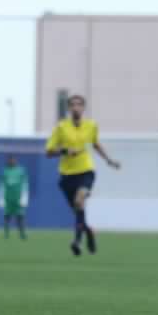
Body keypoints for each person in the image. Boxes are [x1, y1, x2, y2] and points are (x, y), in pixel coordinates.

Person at [45, 94, 120, 256]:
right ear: (68, 108)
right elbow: (49, 151)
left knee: (80, 201)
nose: (76, 107)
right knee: (78, 212)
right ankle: (89, 232)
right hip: (67, 175)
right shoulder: (61, 128)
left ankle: (76, 242)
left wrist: (109, 160)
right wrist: (65, 150)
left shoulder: (91, 126)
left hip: (86, 171)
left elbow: (96, 143)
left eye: (79, 105)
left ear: (84, 108)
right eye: (72, 105)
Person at [0, 155, 28, 240]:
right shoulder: (4, 171)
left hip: (18, 198)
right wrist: (0, 198)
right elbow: (1, 185)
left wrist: (24, 197)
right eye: (10, 160)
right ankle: (6, 234)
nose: (11, 162)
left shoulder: (21, 171)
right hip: (8, 198)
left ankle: (22, 234)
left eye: (13, 160)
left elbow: (25, 184)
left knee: (20, 217)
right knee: (7, 216)